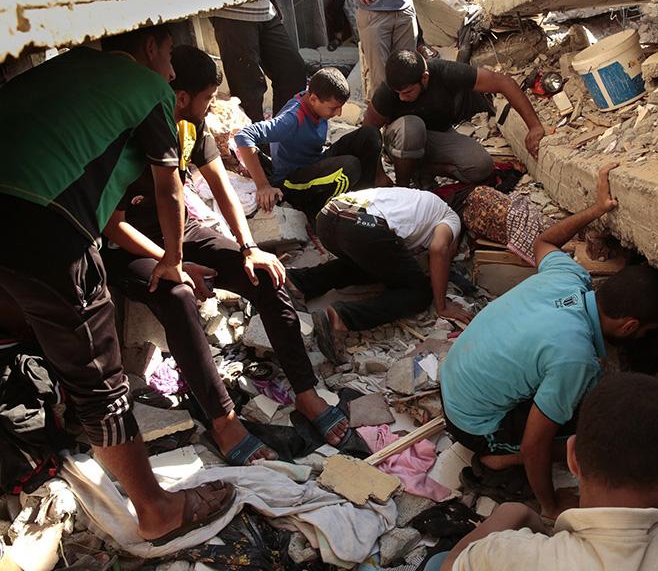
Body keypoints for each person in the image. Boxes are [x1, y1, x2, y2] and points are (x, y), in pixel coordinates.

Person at [0, 25, 235, 545]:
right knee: (100, 380)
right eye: (171, 54)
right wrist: (173, 259)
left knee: (22, 336)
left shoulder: (59, 69)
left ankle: (48, 438)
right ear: (150, 46)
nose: (172, 71)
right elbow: (168, 188)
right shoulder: (147, 88)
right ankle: (157, 510)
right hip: (43, 227)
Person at [102, 45, 358, 460]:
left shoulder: (191, 127)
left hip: (180, 231)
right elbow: (113, 225)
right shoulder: (128, 138)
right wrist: (178, 264)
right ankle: (223, 422)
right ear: (181, 96)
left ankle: (306, 393)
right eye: (207, 97)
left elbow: (221, 189)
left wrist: (250, 247)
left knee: (265, 274)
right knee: (178, 296)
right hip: (128, 246)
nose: (211, 107)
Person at [440, 163, 658, 520]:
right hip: (473, 424)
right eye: (645, 332)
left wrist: (598, 210)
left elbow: (545, 242)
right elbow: (536, 442)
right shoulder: (574, 357)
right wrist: (550, 506)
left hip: (454, 382)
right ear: (630, 326)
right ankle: (498, 458)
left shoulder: (569, 278)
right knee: (598, 434)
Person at [435, 372, 658, 571]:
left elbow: (450, 567)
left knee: (438, 560)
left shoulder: (506, 554)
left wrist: (515, 511)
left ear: (572, 457)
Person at [286, 188, 472, 364]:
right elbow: (439, 249)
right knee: (419, 293)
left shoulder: (420, 200)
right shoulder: (451, 217)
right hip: (362, 226)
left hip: (328, 218)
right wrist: (442, 306)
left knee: (368, 265)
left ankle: (299, 281)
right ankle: (341, 317)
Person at [363, 50, 545, 188]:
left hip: (437, 136)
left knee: (481, 166)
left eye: (408, 92)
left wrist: (534, 126)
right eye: (398, 93)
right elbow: (366, 132)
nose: (402, 98)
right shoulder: (387, 91)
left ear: (424, 78)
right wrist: (379, 175)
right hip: (400, 140)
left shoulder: (444, 72)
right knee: (412, 126)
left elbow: (504, 83)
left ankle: (425, 170)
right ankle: (403, 187)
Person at [235, 67, 389, 216]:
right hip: (292, 182)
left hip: (315, 162)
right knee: (349, 167)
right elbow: (244, 136)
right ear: (314, 99)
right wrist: (263, 186)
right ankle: (322, 216)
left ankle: (365, 200)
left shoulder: (312, 98)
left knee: (370, 135)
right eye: (333, 108)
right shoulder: (292, 119)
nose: (339, 113)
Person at [330, 0, 426, 100]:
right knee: (381, 80)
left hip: (405, 12)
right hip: (373, 14)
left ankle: (405, 117)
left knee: (408, 75)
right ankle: (384, 118)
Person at [208, 0, 307, 123]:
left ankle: (282, 135)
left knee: (292, 71)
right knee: (248, 91)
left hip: (264, 8)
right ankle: (255, 140)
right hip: (232, 11)